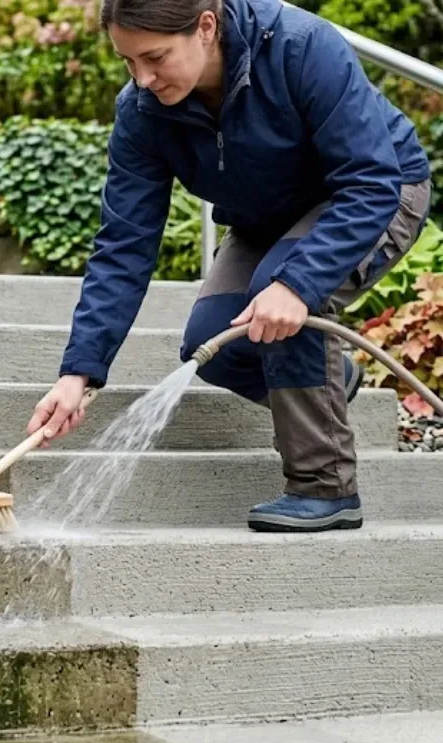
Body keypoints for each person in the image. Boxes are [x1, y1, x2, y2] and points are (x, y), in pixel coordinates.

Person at [25, 0, 431, 532]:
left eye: (155, 58)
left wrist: (297, 285)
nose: (142, 79)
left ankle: (325, 488)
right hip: (265, 220)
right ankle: (330, 377)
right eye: (128, 61)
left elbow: (371, 180)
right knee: (214, 345)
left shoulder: (301, 48)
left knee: (279, 292)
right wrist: (78, 373)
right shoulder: (142, 112)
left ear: (206, 26)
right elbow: (124, 245)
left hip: (376, 192)